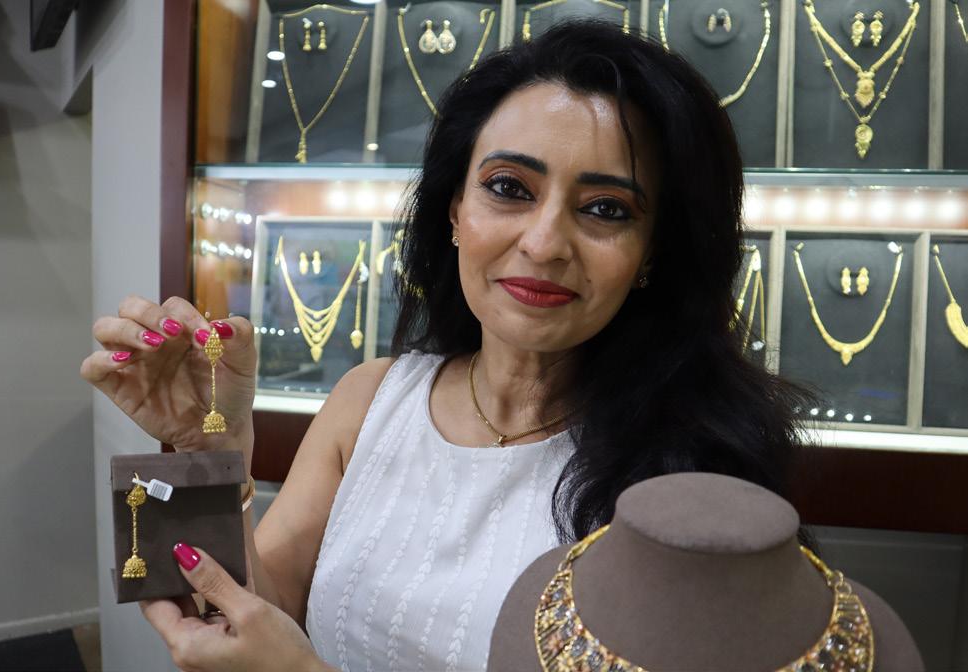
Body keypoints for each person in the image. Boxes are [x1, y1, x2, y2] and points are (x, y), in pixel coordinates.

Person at [81, 19, 809, 672]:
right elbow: (257, 619)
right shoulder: (370, 400)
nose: (544, 243)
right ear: (455, 208)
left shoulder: (688, 470)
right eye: (509, 188)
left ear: (652, 251)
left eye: (604, 209)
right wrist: (210, 454)